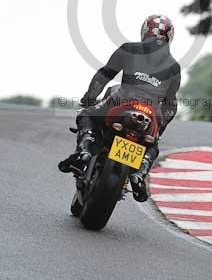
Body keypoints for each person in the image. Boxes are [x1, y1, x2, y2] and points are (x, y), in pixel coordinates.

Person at [58, 14, 181, 202]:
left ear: (145, 31)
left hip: (122, 103)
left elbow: (105, 74)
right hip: (150, 114)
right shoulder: (174, 67)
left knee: (86, 115)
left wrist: (89, 98)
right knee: (153, 144)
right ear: (169, 36)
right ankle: (139, 173)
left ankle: (84, 151)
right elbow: (171, 103)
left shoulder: (130, 49)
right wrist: (160, 127)